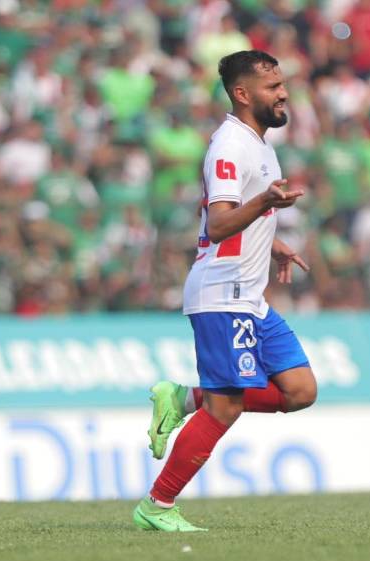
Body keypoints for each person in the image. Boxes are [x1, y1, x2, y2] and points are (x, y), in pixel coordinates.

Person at [135, 50, 317, 532]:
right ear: (242, 94)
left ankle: (185, 397)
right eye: (272, 87)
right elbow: (217, 224)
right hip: (221, 293)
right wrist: (264, 203)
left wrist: (270, 242)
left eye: (282, 84)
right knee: (227, 407)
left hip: (250, 297)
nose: (283, 94)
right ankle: (157, 505)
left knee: (299, 390)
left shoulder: (258, 144)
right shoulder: (230, 146)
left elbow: (233, 217)